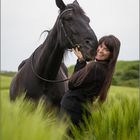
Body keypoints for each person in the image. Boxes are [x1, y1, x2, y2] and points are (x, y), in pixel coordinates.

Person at [60, 35, 121, 129]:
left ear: (112, 54)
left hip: (71, 111)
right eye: (100, 46)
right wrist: (82, 61)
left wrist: (81, 62)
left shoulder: (95, 67)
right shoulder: (107, 71)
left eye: (106, 49)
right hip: (83, 113)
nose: (100, 50)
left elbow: (72, 84)